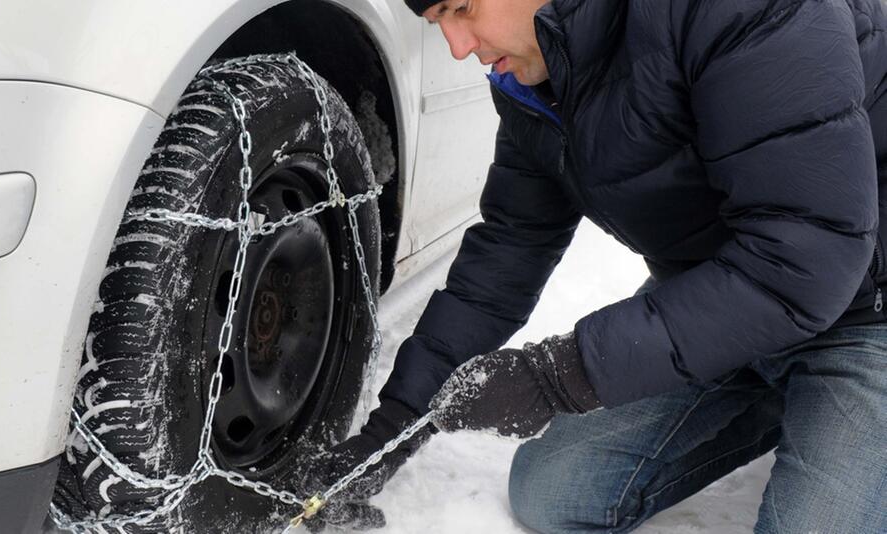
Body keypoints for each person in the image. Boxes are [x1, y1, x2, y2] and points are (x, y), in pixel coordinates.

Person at [297, 0, 887, 532]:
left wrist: (560, 375)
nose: (457, 46)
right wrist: (395, 425)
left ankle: (830, 413)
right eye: (437, 23)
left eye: (463, 8)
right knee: (552, 491)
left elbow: (805, 258)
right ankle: (777, 401)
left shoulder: (743, 12)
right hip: (723, 299)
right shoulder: (535, 72)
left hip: (864, 313)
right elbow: (510, 246)